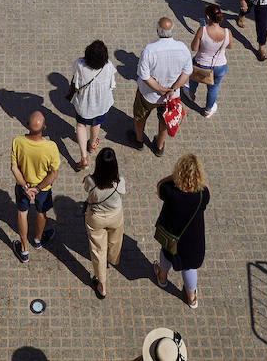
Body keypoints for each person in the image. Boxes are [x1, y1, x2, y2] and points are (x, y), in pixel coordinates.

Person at [153, 153, 210, 309]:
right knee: (190, 266)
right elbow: (207, 188)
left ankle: (162, 278)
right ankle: (191, 298)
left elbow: (159, 187)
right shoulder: (202, 194)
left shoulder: (170, 191)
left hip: (172, 234)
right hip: (193, 240)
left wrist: (172, 177)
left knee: (166, 253)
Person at [132, 16, 193, 155]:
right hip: (171, 97)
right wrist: (173, 89)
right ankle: (159, 146)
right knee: (165, 119)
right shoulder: (182, 48)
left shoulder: (149, 50)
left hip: (148, 95)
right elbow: (187, 72)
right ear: (173, 31)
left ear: (157, 31)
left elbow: (145, 75)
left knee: (140, 117)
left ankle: (139, 141)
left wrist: (160, 89)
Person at [11, 110, 60, 261]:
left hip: (23, 186)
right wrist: (37, 188)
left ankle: (24, 250)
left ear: (27, 125)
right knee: (41, 212)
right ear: (44, 127)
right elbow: (53, 174)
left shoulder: (18, 141)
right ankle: (38, 240)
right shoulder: (51, 147)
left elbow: (14, 168)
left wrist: (26, 187)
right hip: (43, 188)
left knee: (22, 212)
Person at [83, 147, 126, 298]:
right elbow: (122, 194)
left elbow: (87, 190)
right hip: (115, 216)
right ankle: (112, 259)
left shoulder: (91, 180)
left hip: (96, 217)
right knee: (115, 241)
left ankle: (102, 285)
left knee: (97, 249)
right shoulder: (120, 182)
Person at [70, 40, 117, 169]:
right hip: (102, 105)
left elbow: (75, 78)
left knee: (80, 125)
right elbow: (112, 85)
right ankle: (92, 144)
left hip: (84, 105)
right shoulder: (108, 66)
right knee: (96, 123)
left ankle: (84, 158)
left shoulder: (80, 64)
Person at [185, 4, 231, 118]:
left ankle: (191, 94)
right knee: (213, 87)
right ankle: (207, 110)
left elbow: (194, 48)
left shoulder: (202, 30)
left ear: (208, 17)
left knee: (194, 79)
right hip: (220, 66)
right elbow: (229, 46)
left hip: (201, 64)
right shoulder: (227, 32)